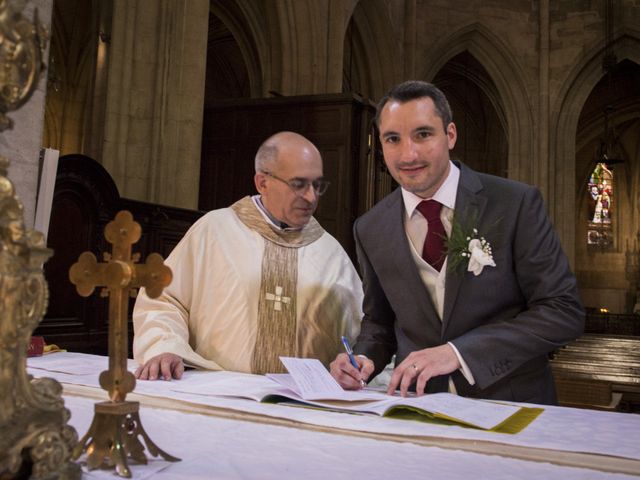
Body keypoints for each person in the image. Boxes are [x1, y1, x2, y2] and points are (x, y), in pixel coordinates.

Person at [329, 81, 584, 404]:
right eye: (393, 139)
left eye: (423, 134)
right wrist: (362, 360)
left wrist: (459, 353)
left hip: (510, 402)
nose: (408, 154)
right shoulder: (370, 227)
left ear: (450, 135)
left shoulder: (514, 203)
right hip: (417, 407)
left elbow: (563, 311)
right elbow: (379, 322)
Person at [134, 131, 363, 380]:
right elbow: (164, 300)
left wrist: (354, 365)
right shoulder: (215, 230)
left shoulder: (330, 252)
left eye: (317, 185)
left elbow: (362, 333)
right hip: (221, 392)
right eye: (299, 184)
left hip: (303, 403)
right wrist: (166, 347)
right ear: (262, 182)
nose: (311, 197)